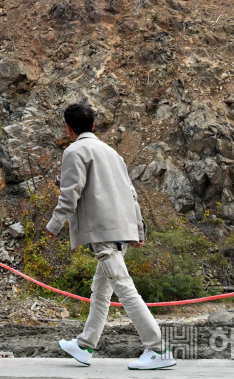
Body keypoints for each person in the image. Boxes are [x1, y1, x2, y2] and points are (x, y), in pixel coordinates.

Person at [46, 103, 175, 370]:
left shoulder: (75, 151)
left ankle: (158, 348)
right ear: (93, 125)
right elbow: (132, 194)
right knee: (101, 291)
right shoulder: (112, 153)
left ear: (69, 128)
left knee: (123, 287)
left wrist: (53, 225)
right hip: (121, 229)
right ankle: (84, 345)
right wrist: (138, 229)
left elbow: (70, 193)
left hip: (102, 232)